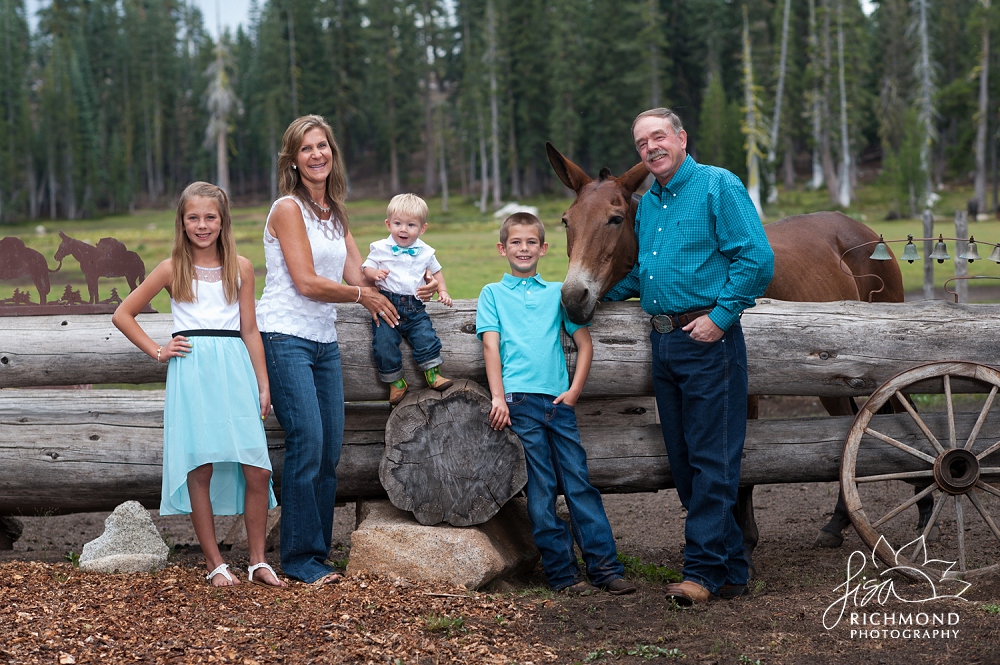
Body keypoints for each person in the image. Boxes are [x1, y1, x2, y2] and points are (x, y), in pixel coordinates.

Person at [256, 115, 436, 585]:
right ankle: (299, 559)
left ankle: (316, 553)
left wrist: (422, 280)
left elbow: (363, 274)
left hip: (324, 341)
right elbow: (307, 282)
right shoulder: (287, 209)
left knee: (330, 447)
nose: (317, 154)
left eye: (323, 146)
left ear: (332, 153)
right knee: (308, 443)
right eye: (306, 148)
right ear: (293, 161)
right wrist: (364, 297)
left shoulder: (333, 212)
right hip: (285, 336)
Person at [605, 108, 774, 605]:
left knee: (711, 459)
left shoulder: (717, 185)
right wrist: (596, 295)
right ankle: (732, 572)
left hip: (707, 342)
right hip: (665, 345)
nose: (651, 148)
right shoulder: (650, 203)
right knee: (683, 463)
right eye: (641, 143)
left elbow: (757, 258)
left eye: (659, 137)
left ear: (681, 137)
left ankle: (700, 573)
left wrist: (721, 317)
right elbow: (647, 276)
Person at [113, 181, 286, 588]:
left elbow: (250, 331)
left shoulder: (240, 267)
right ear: (183, 221)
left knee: (257, 469)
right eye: (194, 217)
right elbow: (123, 314)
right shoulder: (173, 267)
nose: (202, 225)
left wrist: (263, 384)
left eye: (210, 217)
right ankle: (215, 563)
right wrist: (158, 350)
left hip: (235, 368)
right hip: (192, 371)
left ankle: (257, 561)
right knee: (201, 466)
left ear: (223, 220)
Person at [477, 212, 636, 596]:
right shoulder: (492, 294)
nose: (524, 249)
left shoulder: (557, 295)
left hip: (558, 403)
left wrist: (574, 391)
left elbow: (585, 344)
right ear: (503, 249)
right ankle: (564, 575)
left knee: (580, 484)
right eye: (516, 242)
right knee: (542, 490)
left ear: (544, 248)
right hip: (519, 404)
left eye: (531, 242)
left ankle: (605, 569)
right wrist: (498, 396)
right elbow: (491, 347)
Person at [362, 193, 454, 405]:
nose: (403, 229)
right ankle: (395, 382)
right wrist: (373, 274)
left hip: (415, 308)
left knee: (426, 336)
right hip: (388, 304)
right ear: (388, 224)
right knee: (383, 343)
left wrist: (443, 291)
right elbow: (366, 267)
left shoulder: (426, 252)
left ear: (422, 228)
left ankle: (433, 373)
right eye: (398, 223)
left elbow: (436, 273)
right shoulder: (379, 248)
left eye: (411, 225)